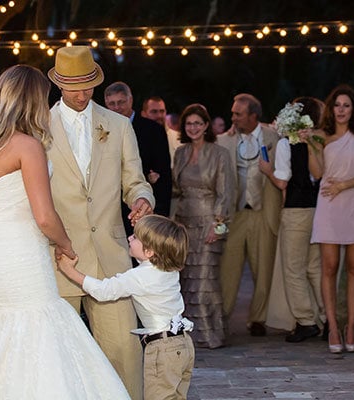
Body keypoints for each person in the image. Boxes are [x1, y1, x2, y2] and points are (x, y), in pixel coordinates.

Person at [0, 64, 130, 399]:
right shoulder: (27, 146)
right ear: (30, 103)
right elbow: (44, 216)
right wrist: (66, 245)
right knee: (38, 332)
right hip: (21, 258)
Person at [46, 46, 154, 399]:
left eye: (88, 85)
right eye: (74, 87)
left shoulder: (119, 125)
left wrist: (142, 199)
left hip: (111, 257)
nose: (82, 94)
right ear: (59, 84)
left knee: (124, 351)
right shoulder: (37, 128)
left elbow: (135, 180)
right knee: (58, 357)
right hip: (58, 258)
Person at [57, 215, 194, 400]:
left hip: (163, 349)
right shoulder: (168, 270)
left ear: (150, 252)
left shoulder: (140, 277)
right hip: (183, 344)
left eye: (136, 237)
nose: (130, 237)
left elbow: (104, 291)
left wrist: (70, 271)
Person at [310, 84, 354, 353]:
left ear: (353, 110)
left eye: (346, 105)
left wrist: (346, 185)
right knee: (329, 267)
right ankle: (333, 328)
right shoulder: (321, 136)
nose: (341, 110)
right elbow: (317, 172)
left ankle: (351, 327)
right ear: (331, 108)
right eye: (337, 105)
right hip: (329, 204)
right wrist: (311, 145)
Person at [260, 97, 327, 342]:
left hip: (296, 210)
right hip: (318, 209)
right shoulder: (318, 141)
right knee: (315, 267)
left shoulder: (287, 144)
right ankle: (328, 317)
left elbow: (282, 180)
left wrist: (267, 170)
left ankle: (306, 321)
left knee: (294, 269)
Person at [218, 93, 282, 337]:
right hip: (235, 213)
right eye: (233, 113)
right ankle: (223, 314)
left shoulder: (273, 137)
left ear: (254, 116)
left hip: (263, 211)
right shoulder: (225, 141)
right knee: (228, 267)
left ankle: (258, 318)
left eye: (238, 114)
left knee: (263, 266)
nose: (233, 118)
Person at [172, 103, 233, 349]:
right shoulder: (180, 153)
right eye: (189, 123)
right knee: (186, 279)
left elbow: (226, 193)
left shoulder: (220, 154)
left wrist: (218, 227)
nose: (193, 127)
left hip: (210, 222)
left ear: (206, 125)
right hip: (184, 224)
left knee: (205, 279)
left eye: (198, 123)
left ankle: (210, 335)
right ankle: (190, 335)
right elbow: (177, 189)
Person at [104, 81, 172, 233]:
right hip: (111, 210)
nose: (116, 108)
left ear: (131, 100)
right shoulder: (102, 129)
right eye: (112, 103)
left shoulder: (153, 130)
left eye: (121, 102)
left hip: (143, 206)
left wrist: (160, 212)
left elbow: (164, 174)